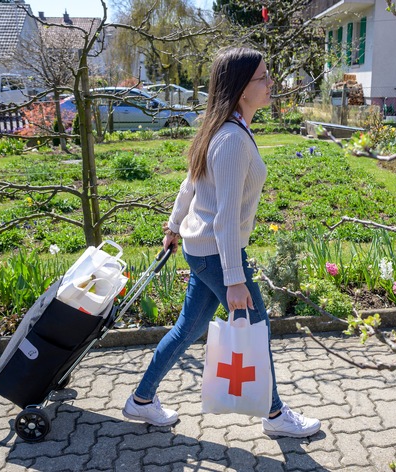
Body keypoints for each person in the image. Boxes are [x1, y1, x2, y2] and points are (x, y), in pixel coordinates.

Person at [122, 47, 321, 438]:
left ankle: (141, 400)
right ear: (242, 87)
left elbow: (190, 186)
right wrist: (234, 279)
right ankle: (276, 414)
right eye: (263, 77)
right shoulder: (231, 139)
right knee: (256, 328)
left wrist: (174, 226)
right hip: (217, 253)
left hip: (203, 249)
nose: (270, 83)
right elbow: (226, 216)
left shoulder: (223, 128)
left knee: (187, 329)